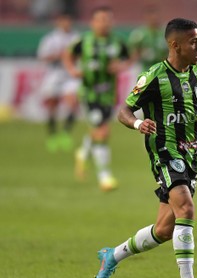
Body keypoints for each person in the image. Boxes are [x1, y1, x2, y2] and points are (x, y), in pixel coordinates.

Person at [95, 18, 197, 278]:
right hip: (166, 153)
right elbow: (124, 111)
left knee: (165, 229)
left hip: (192, 154)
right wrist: (137, 124)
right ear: (174, 45)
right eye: (194, 42)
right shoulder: (154, 76)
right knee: (187, 208)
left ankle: (112, 256)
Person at [63, 6, 130, 191]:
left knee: (99, 130)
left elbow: (129, 58)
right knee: (102, 132)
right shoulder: (83, 41)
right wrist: (72, 70)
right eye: (100, 19)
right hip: (89, 94)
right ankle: (104, 177)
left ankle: (83, 153)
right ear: (92, 22)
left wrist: (121, 66)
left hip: (108, 94)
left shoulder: (117, 42)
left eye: (108, 19)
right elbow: (67, 54)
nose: (104, 23)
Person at [37, 12, 80, 152]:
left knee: (73, 103)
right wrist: (58, 56)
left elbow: (82, 55)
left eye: (68, 20)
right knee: (52, 105)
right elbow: (43, 57)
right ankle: (53, 135)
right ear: (59, 22)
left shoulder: (76, 38)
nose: (66, 23)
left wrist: (70, 58)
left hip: (70, 74)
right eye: (64, 20)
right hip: (54, 74)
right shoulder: (51, 38)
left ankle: (66, 133)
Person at [128, 5, 167, 71]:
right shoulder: (139, 34)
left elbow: (170, 53)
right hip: (145, 69)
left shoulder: (165, 34)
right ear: (147, 18)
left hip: (162, 69)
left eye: (155, 17)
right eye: (151, 17)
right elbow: (133, 54)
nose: (154, 19)